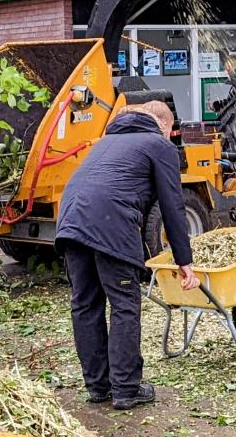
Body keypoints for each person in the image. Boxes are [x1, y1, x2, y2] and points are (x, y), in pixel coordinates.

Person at [54, 100, 197, 410]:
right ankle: (126, 389)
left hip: (70, 221)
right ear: (165, 127)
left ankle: (98, 387)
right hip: (108, 222)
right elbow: (172, 206)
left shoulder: (108, 142)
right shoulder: (159, 145)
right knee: (124, 305)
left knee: (85, 304)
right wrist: (184, 261)